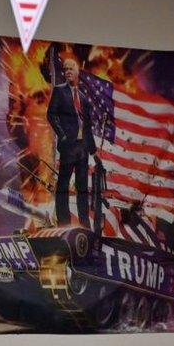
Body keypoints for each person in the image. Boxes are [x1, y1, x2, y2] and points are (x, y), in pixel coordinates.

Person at [47, 56, 100, 227]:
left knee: (82, 188)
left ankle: (84, 225)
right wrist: (61, 135)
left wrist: (94, 152)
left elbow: (87, 126)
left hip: (82, 149)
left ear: (77, 72)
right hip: (68, 147)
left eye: (71, 68)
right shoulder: (59, 90)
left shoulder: (84, 98)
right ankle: (64, 224)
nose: (68, 71)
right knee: (63, 186)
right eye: (66, 69)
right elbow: (51, 114)